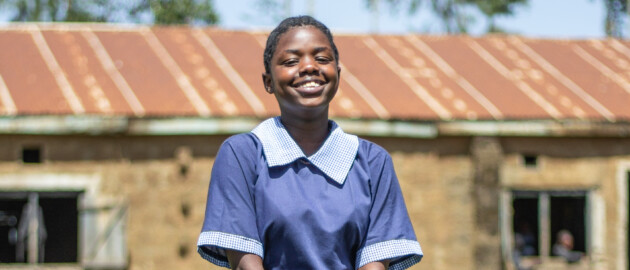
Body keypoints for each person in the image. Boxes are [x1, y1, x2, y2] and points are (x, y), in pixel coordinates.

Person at [197, 15, 423, 269]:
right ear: (268, 81)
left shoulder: (373, 163)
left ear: (337, 74)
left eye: (322, 59)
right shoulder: (242, 155)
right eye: (292, 61)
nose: (309, 67)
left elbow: (375, 265)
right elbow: (244, 264)